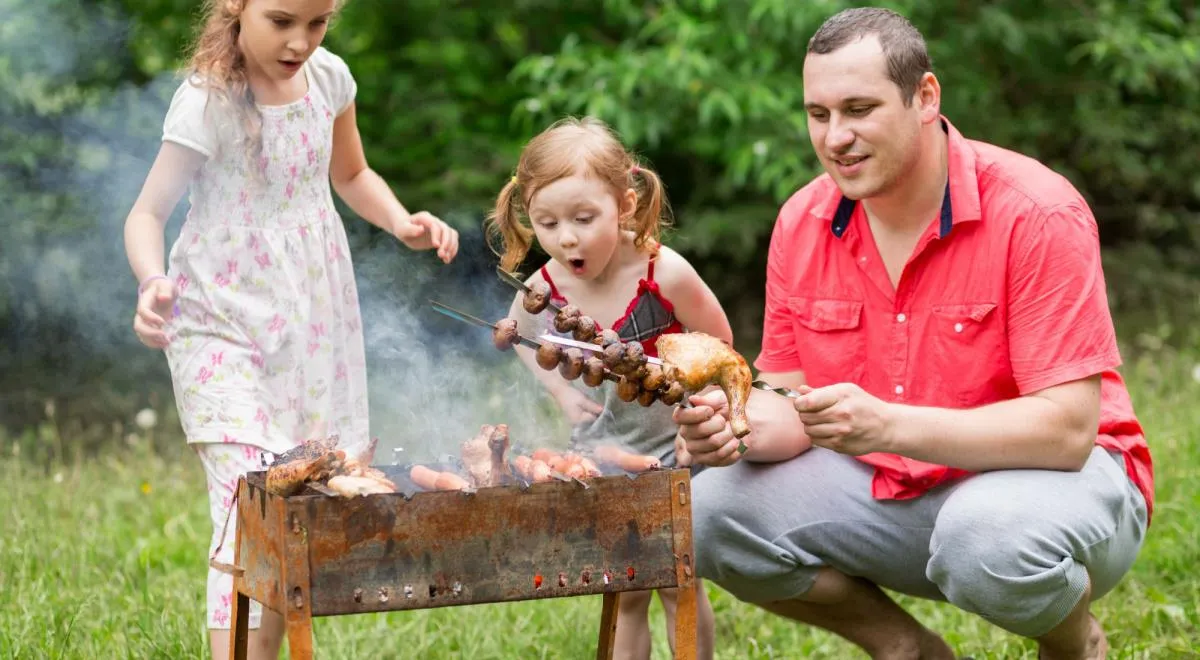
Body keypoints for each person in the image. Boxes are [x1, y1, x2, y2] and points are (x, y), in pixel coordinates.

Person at [672, 8, 1153, 660]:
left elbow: (1067, 433)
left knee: (983, 535)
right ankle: (905, 649)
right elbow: (787, 402)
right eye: (819, 115)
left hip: (1060, 487)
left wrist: (890, 425)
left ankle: (1074, 642)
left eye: (860, 109)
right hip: (891, 487)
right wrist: (733, 423)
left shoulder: (1037, 211)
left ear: (925, 97)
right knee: (708, 513)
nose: (836, 137)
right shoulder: (803, 221)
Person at [122, 1, 459, 657]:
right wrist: (151, 281)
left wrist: (399, 221)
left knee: (293, 507)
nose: (300, 41)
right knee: (247, 510)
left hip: (312, 321)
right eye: (281, 21)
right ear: (235, 7)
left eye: (318, 22)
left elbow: (351, 174)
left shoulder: (330, 79)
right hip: (219, 320)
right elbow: (146, 213)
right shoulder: (207, 102)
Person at [486, 116, 722, 660]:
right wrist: (562, 393)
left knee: (678, 581)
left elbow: (719, 343)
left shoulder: (665, 273)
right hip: (607, 448)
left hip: (674, 447)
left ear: (626, 205)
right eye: (546, 223)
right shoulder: (544, 289)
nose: (565, 236)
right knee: (628, 583)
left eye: (584, 217)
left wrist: (697, 402)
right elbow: (521, 338)